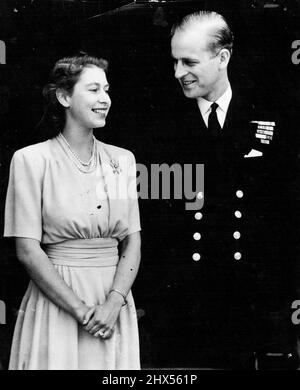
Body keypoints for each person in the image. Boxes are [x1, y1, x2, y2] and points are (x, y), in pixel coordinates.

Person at [149, 10, 295, 369]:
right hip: (183, 304)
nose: (178, 73)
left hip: (248, 302)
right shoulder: (160, 120)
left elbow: (285, 210)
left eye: (189, 62)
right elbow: (154, 210)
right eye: (174, 62)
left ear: (223, 57)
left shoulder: (267, 112)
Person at [4, 54, 141, 370]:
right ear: (64, 96)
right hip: (58, 303)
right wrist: (80, 311)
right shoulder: (30, 160)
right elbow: (26, 249)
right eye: (93, 90)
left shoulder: (124, 161)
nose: (104, 99)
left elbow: (132, 242)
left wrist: (112, 304)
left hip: (113, 304)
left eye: (106, 90)